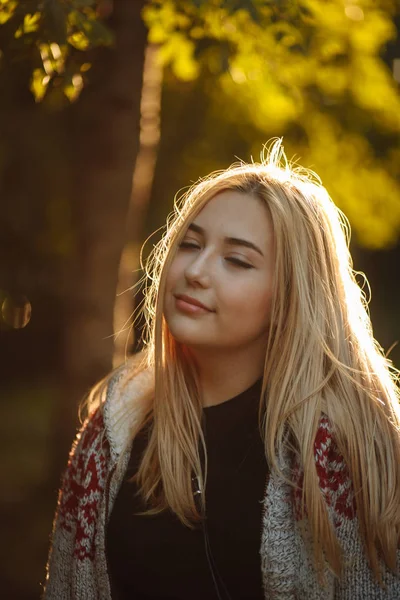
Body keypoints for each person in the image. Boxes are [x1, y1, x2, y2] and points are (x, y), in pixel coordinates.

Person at [43, 139, 400, 599]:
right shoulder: (111, 434)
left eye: (237, 260)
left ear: (290, 298)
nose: (196, 270)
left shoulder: (346, 449)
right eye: (190, 244)